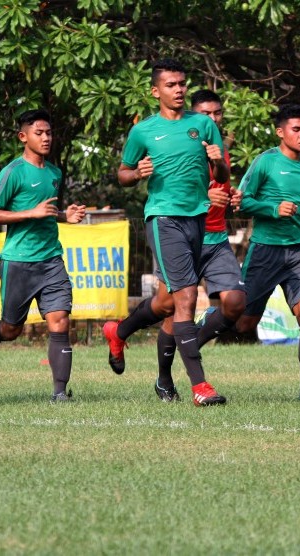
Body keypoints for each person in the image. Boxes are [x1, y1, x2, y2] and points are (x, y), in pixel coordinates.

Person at [103, 59, 230, 406]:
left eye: (182, 84)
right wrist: (137, 173)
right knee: (186, 298)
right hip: (163, 218)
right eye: (171, 85)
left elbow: (223, 174)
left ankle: (120, 331)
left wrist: (218, 161)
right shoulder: (143, 131)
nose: (179, 90)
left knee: (166, 302)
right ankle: (200, 387)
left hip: (198, 218)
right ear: (155, 90)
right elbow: (123, 174)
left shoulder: (202, 124)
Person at [0, 109, 85, 402]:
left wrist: (66, 215)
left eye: (49, 133)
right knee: (10, 329)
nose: (45, 138)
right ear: (23, 137)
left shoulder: (54, 173)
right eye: (38, 133)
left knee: (60, 321)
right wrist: (32, 213)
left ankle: (59, 393)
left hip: (51, 260)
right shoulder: (12, 172)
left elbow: (47, 214)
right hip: (19, 262)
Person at [233, 104, 300, 401]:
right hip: (265, 250)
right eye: (297, 129)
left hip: (297, 252)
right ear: (280, 132)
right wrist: (272, 209)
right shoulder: (265, 162)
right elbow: (241, 201)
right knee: (243, 323)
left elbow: (298, 201)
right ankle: (198, 332)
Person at [153, 90, 246, 402]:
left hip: (216, 238)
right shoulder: (180, 144)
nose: (213, 119)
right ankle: (165, 379)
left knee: (234, 302)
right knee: (171, 309)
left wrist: (232, 197)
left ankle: (192, 346)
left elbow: (223, 183)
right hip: (181, 235)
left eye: (218, 113)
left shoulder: (219, 150)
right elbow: (175, 191)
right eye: (206, 113)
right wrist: (207, 197)